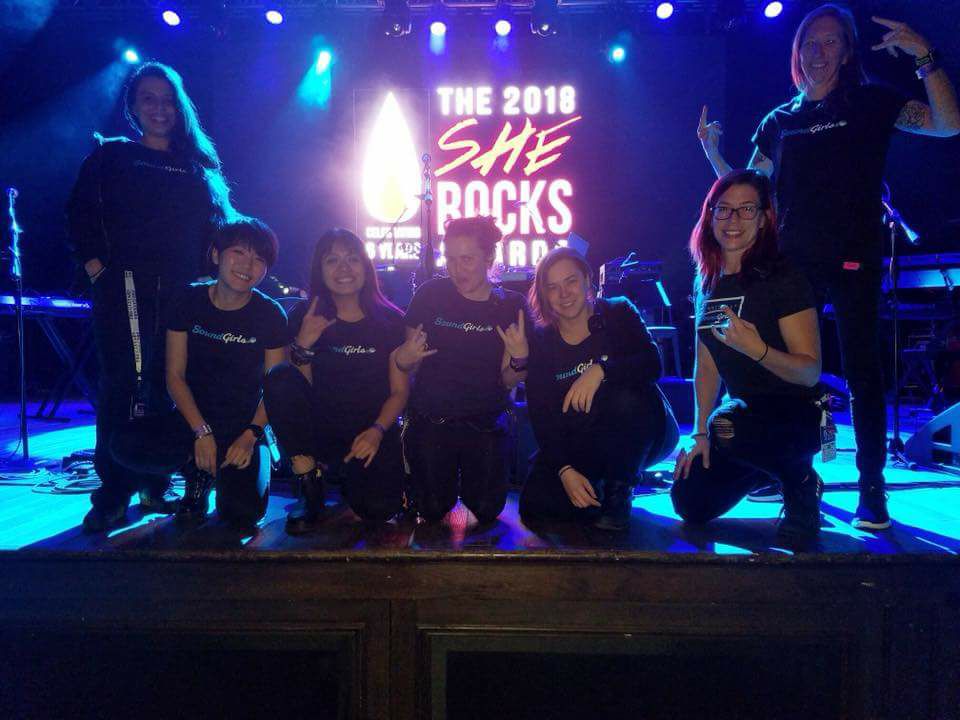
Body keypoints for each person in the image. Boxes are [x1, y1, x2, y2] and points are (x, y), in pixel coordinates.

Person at [697, 5, 960, 530]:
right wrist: (712, 154)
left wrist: (925, 57)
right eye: (809, 43)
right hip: (790, 265)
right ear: (796, 52)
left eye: (830, 42)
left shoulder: (869, 101)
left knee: (863, 371)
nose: (818, 52)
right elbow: (748, 190)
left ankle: (871, 490)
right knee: (781, 367)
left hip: (854, 257)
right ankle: (788, 470)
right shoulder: (780, 121)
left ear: (846, 51)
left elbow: (948, 124)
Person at [66, 62, 233, 533]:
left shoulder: (195, 165)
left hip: (182, 294)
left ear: (179, 108)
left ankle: (154, 483)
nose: (159, 108)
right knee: (123, 386)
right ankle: (113, 493)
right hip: (125, 290)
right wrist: (96, 266)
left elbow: (217, 230)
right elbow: (78, 213)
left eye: (167, 100)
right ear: (133, 107)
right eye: (149, 99)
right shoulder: (112, 155)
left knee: (170, 384)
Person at [670, 170, 824, 548]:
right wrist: (699, 434)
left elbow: (809, 372)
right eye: (723, 209)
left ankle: (801, 482)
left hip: (795, 413)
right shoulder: (706, 279)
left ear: (765, 218)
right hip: (740, 419)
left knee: (726, 424)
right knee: (689, 501)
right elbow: (706, 365)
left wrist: (757, 349)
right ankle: (766, 470)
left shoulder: (783, 276)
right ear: (710, 216)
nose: (733, 219)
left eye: (746, 209)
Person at [111, 218, 286, 532]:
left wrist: (251, 435)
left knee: (242, 514)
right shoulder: (188, 300)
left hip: (243, 427)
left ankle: (222, 471)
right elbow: (174, 375)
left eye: (259, 259)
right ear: (216, 255)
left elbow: (276, 388)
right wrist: (201, 432)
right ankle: (196, 472)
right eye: (239, 253)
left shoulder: (271, 314)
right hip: (192, 420)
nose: (247, 266)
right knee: (124, 443)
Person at [518, 247, 679, 531]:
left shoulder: (618, 312)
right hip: (585, 438)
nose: (563, 293)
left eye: (570, 281)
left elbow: (653, 365)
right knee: (536, 505)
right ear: (544, 294)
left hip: (641, 430)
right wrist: (565, 470)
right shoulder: (542, 341)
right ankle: (599, 488)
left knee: (625, 396)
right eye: (553, 287)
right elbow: (541, 413)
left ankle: (619, 490)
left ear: (586, 280)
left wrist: (601, 370)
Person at [262, 229, 409, 534]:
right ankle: (310, 482)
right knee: (279, 377)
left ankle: (347, 477)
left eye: (352, 259)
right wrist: (304, 346)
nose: (344, 268)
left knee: (379, 510)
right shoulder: (305, 315)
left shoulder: (391, 320)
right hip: (321, 431)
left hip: (370, 432)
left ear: (365, 266)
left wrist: (377, 431)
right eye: (332, 260)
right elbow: (294, 392)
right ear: (320, 269)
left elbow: (399, 391)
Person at [398, 216, 529, 525]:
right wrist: (405, 358)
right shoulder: (430, 295)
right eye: (451, 260)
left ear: (489, 257)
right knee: (431, 509)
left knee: (486, 509)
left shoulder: (510, 305)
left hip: (484, 421)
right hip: (433, 418)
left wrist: (520, 358)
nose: (457, 269)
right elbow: (406, 364)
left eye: (467, 259)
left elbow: (510, 379)